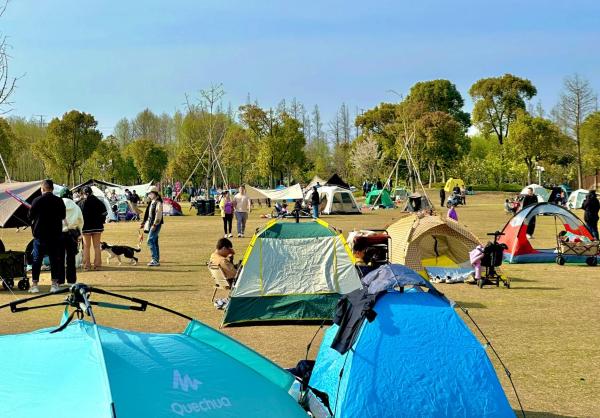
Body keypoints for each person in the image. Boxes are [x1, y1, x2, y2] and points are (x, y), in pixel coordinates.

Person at [28, 180, 66, 293]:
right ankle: (54, 284)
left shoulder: (36, 200)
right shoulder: (59, 201)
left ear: (42, 189)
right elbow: (63, 216)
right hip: (55, 235)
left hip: (40, 235)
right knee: (55, 260)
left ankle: (35, 285)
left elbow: (29, 217)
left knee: (37, 260)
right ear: (52, 189)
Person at [78, 186, 107, 271]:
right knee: (97, 246)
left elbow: (79, 216)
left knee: (86, 247)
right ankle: (97, 265)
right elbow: (104, 214)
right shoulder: (99, 201)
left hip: (86, 227)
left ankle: (87, 266)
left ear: (83, 193)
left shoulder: (80, 203)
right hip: (98, 227)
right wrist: (101, 221)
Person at [60, 188, 84, 285]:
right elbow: (80, 220)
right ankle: (71, 280)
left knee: (59, 257)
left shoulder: (57, 204)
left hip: (59, 233)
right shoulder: (75, 206)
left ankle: (60, 280)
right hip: (72, 234)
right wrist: (80, 232)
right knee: (71, 258)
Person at [141, 186, 164, 266]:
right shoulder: (152, 202)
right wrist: (144, 223)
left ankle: (155, 260)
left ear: (154, 193)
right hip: (151, 223)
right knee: (154, 241)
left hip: (155, 224)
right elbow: (148, 213)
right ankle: (156, 259)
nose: (149, 195)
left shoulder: (158, 203)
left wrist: (155, 224)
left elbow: (158, 215)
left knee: (150, 241)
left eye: (150, 193)